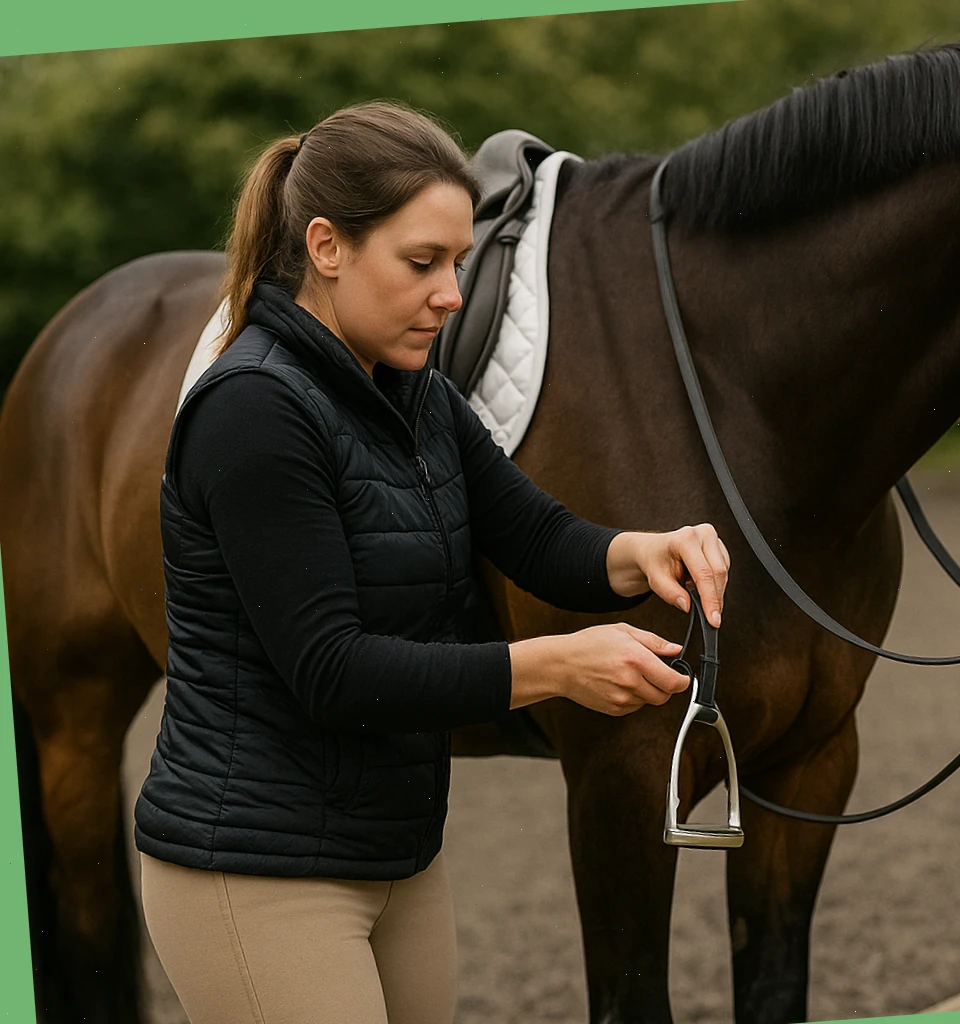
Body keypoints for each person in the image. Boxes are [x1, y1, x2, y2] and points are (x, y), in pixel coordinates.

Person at [133, 99, 730, 1024]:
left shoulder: (418, 395)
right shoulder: (254, 411)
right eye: (422, 264)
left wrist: (645, 550)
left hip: (398, 853)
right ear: (326, 247)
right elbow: (333, 672)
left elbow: (535, 538)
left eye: (456, 263)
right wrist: (555, 668)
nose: (451, 293)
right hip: (253, 867)